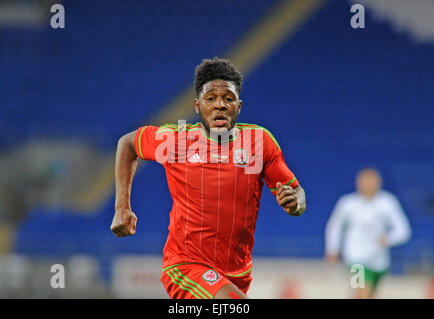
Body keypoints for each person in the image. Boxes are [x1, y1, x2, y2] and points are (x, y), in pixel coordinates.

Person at [110, 57, 306, 299]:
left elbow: (296, 193)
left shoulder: (259, 142)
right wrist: (122, 207)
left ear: (239, 106)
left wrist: (295, 204)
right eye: (210, 98)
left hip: (236, 272)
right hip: (185, 265)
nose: (220, 105)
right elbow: (127, 144)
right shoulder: (176, 141)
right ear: (197, 105)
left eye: (228, 98)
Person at [325, 168, 411, 299]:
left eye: (371, 181)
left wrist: (388, 239)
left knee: (369, 294)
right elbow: (334, 226)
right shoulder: (347, 203)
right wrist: (332, 248)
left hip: (379, 261)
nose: (367, 185)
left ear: (379, 183)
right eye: (364, 181)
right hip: (355, 259)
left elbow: (403, 230)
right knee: (361, 292)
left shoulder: (387, 202)